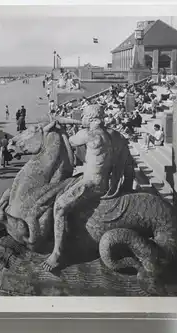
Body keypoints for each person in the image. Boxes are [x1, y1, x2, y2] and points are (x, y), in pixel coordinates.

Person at [42, 105, 114, 271]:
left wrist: (59, 129)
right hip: (99, 179)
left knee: (59, 206)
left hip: (92, 182)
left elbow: (69, 141)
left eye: (84, 115)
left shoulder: (88, 134)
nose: (82, 118)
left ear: (89, 118)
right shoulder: (105, 134)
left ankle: (57, 254)